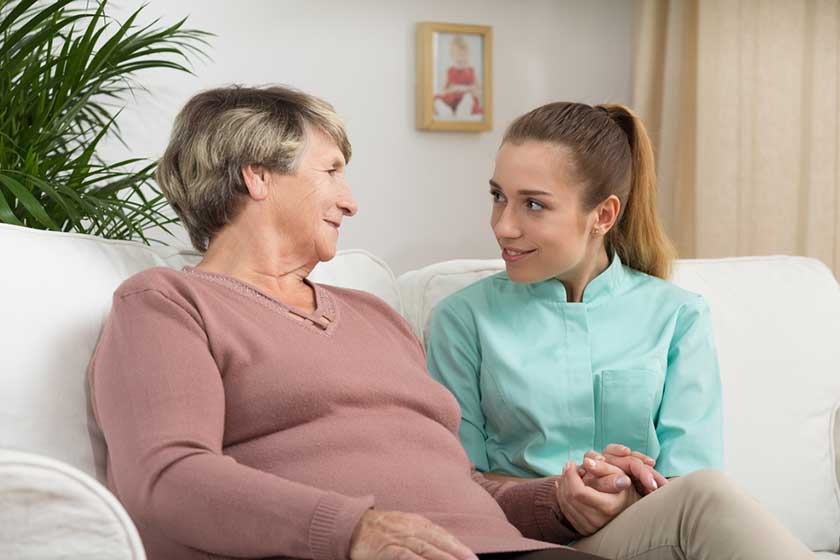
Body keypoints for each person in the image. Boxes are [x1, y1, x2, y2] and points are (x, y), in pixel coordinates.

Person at [89, 85, 632, 560]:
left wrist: (557, 501)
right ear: (257, 176)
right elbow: (166, 479)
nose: (350, 203)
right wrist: (352, 531)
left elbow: (457, 487)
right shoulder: (168, 303)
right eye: (331, 171)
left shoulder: (375, 316)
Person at [426, 102, 815, 559]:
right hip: (523, 541)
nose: (503, 226)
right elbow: (454, 480)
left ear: (604, 216)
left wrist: (624, 490)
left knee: (705, 493)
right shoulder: (462, 320)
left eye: (533, 204)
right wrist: (560, 495)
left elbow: (687, 475)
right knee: (706, 497)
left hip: (641, 537)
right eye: (498, 197)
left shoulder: (677, 315)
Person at [434, 34, 482, 118]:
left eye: (463, 55)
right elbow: (444, 91)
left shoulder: (471, 71)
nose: (461, 58)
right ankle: (446, 111)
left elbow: (478, 92)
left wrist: (469, 89)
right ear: (452, 56)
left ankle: (461, 112)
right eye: (458, 55)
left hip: (466, 100)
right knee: (436, 99)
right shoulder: (450, 71)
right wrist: (453, 89)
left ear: (468, 55)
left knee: (468, 98)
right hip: (452, 101)